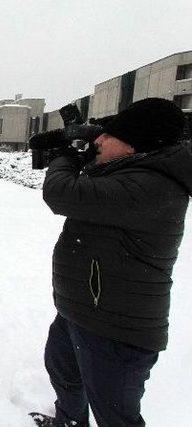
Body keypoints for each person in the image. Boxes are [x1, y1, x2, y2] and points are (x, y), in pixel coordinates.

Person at [33, 98, 191, 426]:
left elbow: (62, 192)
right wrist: (91, 144)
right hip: (85, 310)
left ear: (135, 146)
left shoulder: (150, 186)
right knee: (63, 371)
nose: (100, 141)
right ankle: (69, 422)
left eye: (110, 136)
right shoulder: (131, 171)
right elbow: (92, 177)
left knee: (115, 417)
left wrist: (70, 151)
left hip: (116, 331)